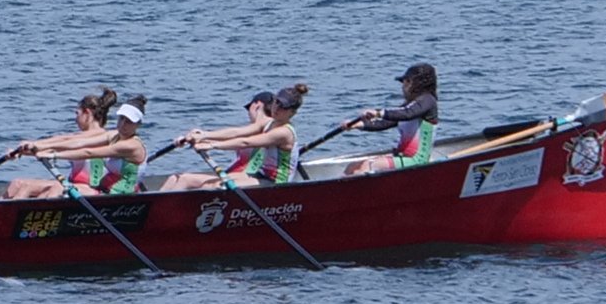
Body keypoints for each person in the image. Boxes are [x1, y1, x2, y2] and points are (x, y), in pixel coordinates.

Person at [162, 84, 308, 190]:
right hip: (260, 175)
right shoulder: (269, 122)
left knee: (214, 186)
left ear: (292, 113)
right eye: (277, 102)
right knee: (182, 178)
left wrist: (211, 145)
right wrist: (203, 135)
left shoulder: (284, 133)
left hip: (276, 183)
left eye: (283, 107)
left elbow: (246, 142)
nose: (277, 108)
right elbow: (237, 132)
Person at [2, 88, 120, 199]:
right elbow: (54, 148)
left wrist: (35, 144)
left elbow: (67, 140)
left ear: (87, 113)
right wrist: (20, 152)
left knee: (56, 188)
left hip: (95, 191)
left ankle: (29, 213)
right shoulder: (78, 138)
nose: (75, 119)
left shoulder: (102, 136)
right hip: (75, 186)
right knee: (18, 183)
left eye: (77, 114)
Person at [344, 64, 440, 176]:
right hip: (402, 156)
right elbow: (385, 123)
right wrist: (358, 125)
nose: (403, 86)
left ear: (418, 83)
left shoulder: (428, 101)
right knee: (353, 166)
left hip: (417, 160)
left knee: (368, 165)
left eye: (406, 82)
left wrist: (378, 113)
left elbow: (408, 114)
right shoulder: (409, 106)